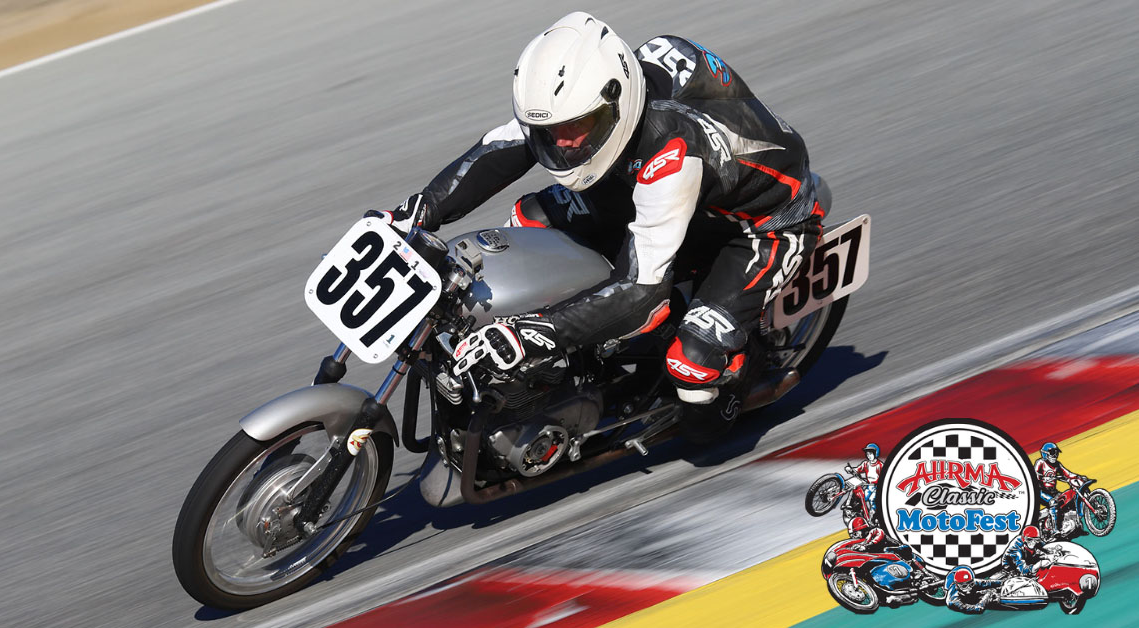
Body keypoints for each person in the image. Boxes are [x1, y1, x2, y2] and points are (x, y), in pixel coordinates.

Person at [371, 12, 823, 442]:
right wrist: (418, 211)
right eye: (551, 131)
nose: (563, 143)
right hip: (657, 185)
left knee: (691, 367)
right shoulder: (591, 99)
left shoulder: (673, 154)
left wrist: (535, 334)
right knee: (530, 221)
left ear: (615, 102)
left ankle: (735, 375)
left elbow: (643, 295)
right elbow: (500, 149)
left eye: (578, 127)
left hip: (759, 226)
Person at [1034, 442, 1085, 535]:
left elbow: (1067, 473)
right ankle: (1055, 530)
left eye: (1056, 453)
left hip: (1053, 491)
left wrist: (1078, 477)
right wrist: (1042, 478)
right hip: (1041, 491)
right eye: (1052, 452)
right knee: (1053, 502)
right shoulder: (1040, 462)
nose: (1055, 455)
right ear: (1045, 453)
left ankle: (1075, 525)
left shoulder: (1057, 464)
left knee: (1067, 501)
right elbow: (1034, 475)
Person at [844, 443, 882, 519]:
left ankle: (873, 515)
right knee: (862, 498)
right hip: (869, 486)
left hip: (877, 488)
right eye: (867, 454)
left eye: (870, 454)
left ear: (875, 454)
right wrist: (851, 469)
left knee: (872, 499)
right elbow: (858, 469)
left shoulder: (880, 465)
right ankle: (860, 513)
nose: (868, 456)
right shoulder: (865, 463)